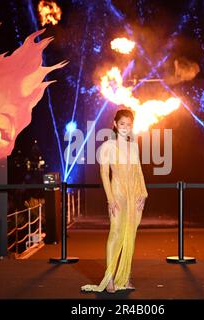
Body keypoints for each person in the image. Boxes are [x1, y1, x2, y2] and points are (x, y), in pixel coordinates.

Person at [81, 109, 148, 293]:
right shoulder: (107, 146)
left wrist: (143, 193)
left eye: (129, 124)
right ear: (116, 124)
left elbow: (139, 171)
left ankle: (125, 277)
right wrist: (110, 199)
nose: (126, 128)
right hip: (117, 193)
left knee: (130, 235)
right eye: (122, 124)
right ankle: (109, 278)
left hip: (134, 193)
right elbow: (104, 173)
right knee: (116, 232)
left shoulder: (133, 146)